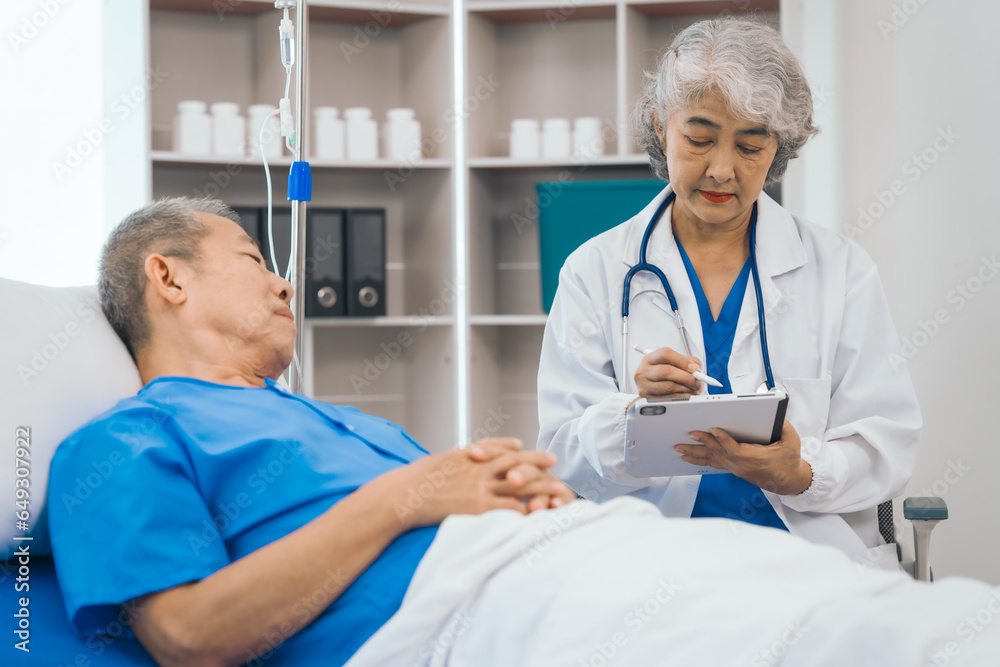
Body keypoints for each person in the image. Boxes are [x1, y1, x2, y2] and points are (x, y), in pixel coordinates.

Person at [48, 197, 576, 667]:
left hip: (565, 560)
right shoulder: (124, 441)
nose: (285, 284)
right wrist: (402, 498)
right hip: (479, 621)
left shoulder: (346, 421)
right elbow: (189, 638)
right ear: (169, 278)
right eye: (253, 260)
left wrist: (521, 492)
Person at [536, 17, 921, 569]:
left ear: (779, 146)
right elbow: (560, 453)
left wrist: (803, 471)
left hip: (806, 566)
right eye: (699, 139)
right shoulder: (594, 271)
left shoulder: (842, 272)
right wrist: (631, 419)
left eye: (750, 144)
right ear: (658, 125)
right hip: (651, 565)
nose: (722, 169)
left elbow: (887, 443)